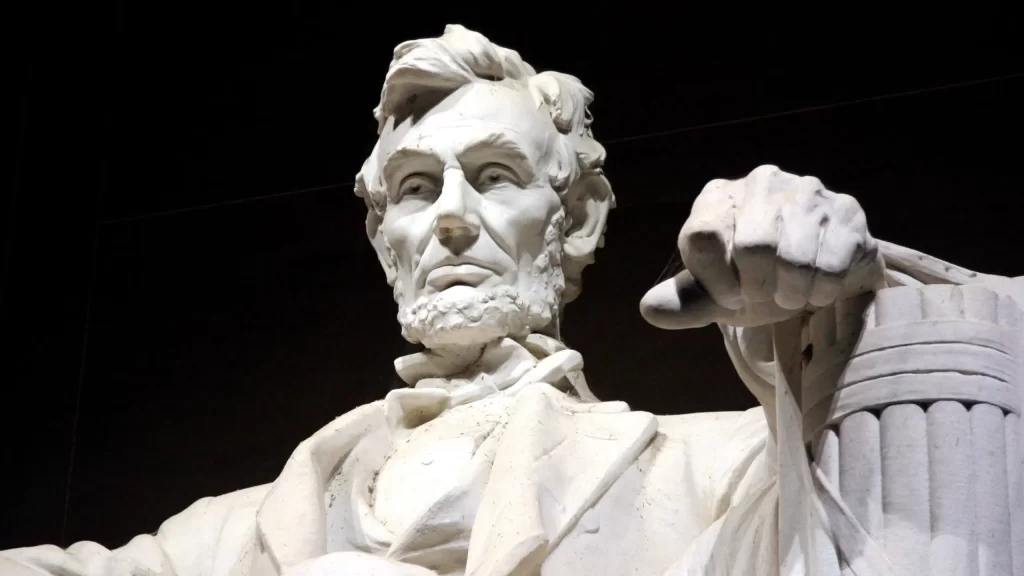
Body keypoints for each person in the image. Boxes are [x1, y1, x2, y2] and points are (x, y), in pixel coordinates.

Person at [3, 24, 1021, 576]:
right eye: (415, 190)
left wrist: (840, 311)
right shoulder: (233, 534)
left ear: (574, 222)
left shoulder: (709, 472)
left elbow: (875, 517)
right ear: (383, 239)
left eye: (493, 178)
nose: (450, 218)